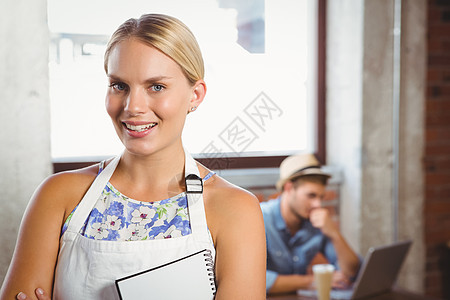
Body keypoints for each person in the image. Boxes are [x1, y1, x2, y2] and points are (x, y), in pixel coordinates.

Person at [0, 13, 266, 300]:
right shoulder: (58, 195)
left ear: (195, 95)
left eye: (156, 87)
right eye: (119, 85)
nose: (133, 106)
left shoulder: (236, 210)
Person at [260, 153, 360, 295]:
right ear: (289, 188)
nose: (317, 204)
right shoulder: (260, 219)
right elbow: (251, 278)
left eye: (320, 197)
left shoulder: (316, 224)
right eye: (311, 195)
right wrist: (311, 281)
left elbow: (351, 272)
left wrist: (334, 234)